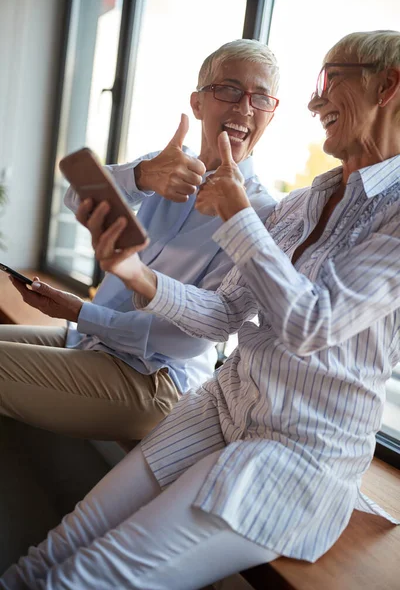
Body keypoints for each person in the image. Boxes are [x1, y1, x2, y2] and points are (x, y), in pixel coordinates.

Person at [3, 29, 400, 590]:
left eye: (330, 79)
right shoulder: (308, 198)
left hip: (284, 445)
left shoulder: (299, 207)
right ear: (198, 102)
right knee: (57, 549)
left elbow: (313, 324)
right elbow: (221, 314)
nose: (316, 100)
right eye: (227, 90)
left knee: (82, 578)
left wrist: (236, 215)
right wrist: (133, 266)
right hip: (221, 404)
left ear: (389, 85)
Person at [0, 39, 279, 440]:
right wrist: (142, 175)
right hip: (91, 340)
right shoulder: (163, 164)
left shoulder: (261, 214)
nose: (244, 107)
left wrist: (82, 311)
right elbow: (76, 195)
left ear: (272, 113)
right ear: (198, 104)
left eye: (260, 97)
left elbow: (187, 340)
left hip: (156, 377)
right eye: (229, 89)